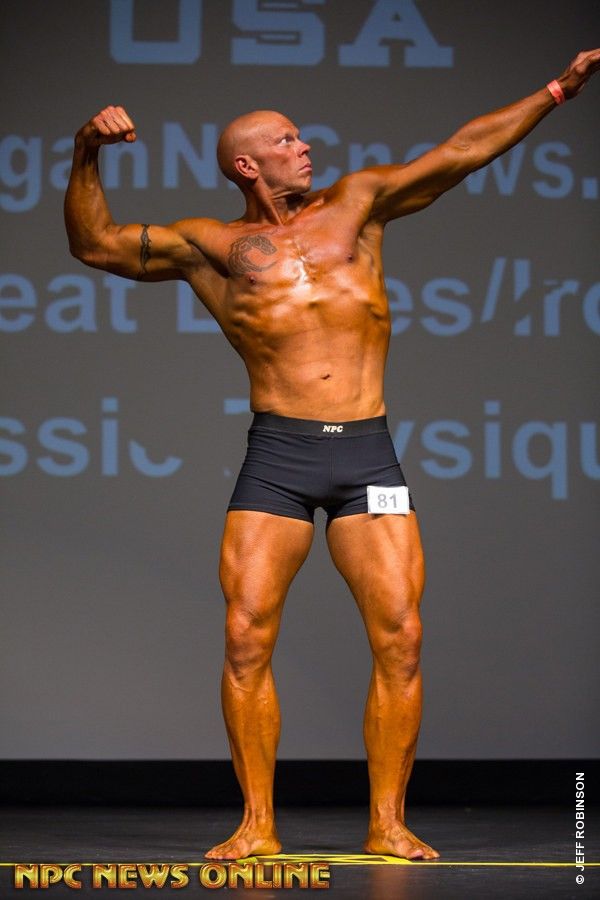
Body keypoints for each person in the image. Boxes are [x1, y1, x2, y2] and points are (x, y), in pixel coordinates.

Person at [64, 49, 599, 860]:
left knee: (402, 636)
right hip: (278, 455)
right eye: (286, 139)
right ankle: (257, 824)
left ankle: (387, 822)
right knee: (245, 637)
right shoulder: (209, 244)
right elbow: (95, 245)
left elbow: (462, 152)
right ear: (247, 164)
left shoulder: (358, 204)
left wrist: (557, 89)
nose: (305, 146)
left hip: (368, 455)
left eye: (300, 136)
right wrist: (85, 152)